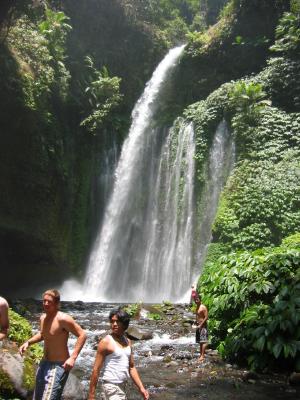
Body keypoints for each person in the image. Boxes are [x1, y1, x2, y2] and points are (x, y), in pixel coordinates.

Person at [19, 289, 87, 400]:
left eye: (49, 301)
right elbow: (42, 335)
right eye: (44, 301)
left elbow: (82, 335)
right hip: (44, 362)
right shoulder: (43, 318)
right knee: (38, 397)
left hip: (59, 365)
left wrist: (73, 358)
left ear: (56, 303)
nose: (45, 303)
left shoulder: (63, 319)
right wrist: (28, 342)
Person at [88, 308, 149, 400]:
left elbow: (131, 367)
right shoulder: (106, 342)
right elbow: (96, 369)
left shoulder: (127, 341)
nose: (114, 324)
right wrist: (91, 396)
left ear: (125, 324)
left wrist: (141, 387)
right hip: (111, 387)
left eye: (118, 322)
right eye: (112, 321)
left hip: (123, 387)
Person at [195, 296, 208, 362]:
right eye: (195, 300)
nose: (196, 300)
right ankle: (200, 355)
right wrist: (195, 322)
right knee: (200, 341)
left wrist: (201, 325)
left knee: (204, 341)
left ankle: (202, 356)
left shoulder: (203, 307)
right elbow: (197, 316)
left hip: (203, 326)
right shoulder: (197, 307)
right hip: (198, 326)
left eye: (197, 299)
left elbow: (206, 317)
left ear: (200, 299)